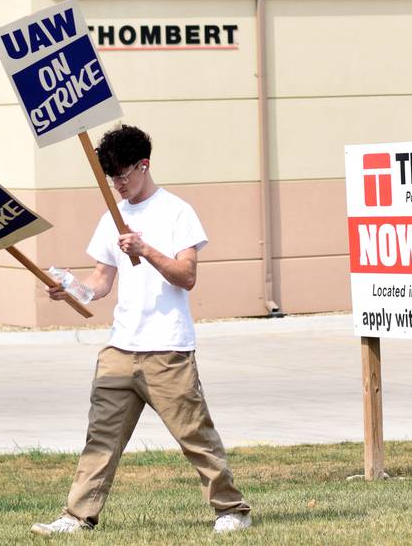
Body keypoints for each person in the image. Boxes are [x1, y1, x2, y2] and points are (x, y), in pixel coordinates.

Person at [31, 124, 251, 535]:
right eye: (111, 177)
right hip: (120, 348)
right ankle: (77, 517)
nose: (117, 185)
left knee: (195, 435)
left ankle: (232, 510)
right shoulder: (111, 218)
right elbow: (100, 282)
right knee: (101, 438)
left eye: (123, 175)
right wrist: (71, 288)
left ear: (143, 165)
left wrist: (145, 249)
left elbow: (187, 276)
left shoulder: (177, 212)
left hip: (168, 349)